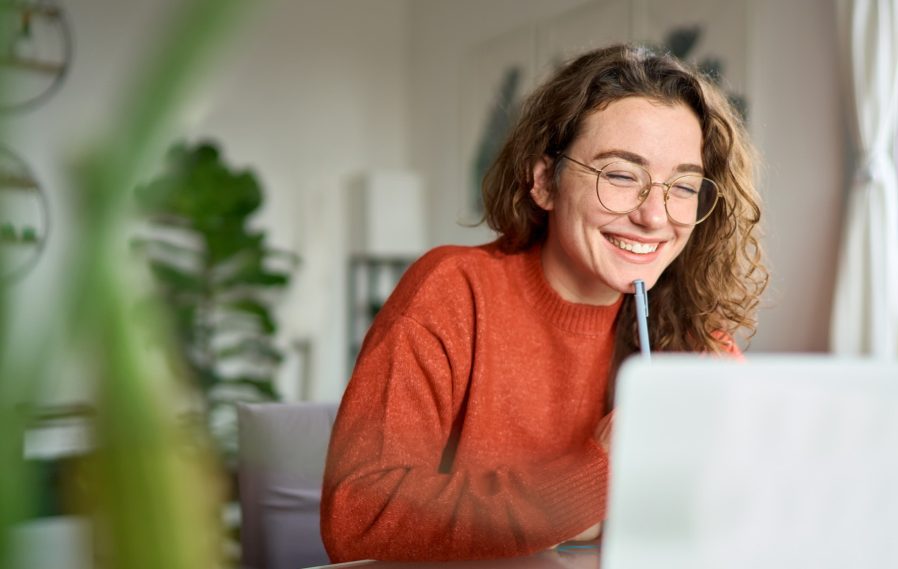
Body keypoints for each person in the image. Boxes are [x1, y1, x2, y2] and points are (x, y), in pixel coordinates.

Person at [320, 43, 767, 562]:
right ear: (543, 182)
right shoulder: (452, 292)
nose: (654, 215)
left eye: (683, 186)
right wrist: (596, 473)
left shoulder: (692, 333)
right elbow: (359, 518)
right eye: (621, 175)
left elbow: (751, 509)